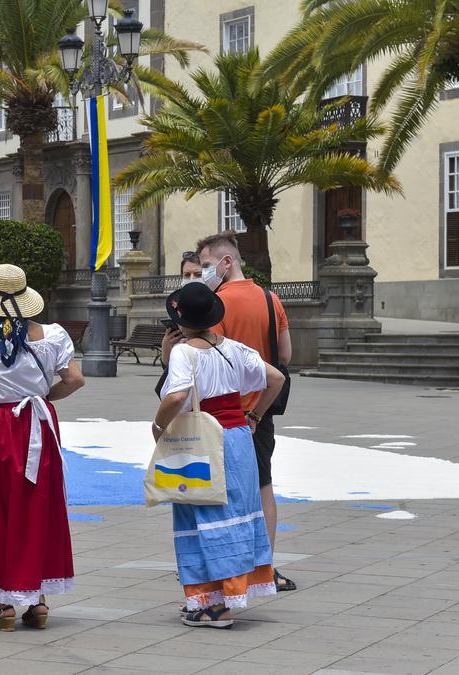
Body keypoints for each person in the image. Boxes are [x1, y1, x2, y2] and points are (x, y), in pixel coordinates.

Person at [0, 264, 85, 631]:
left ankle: (4, 602)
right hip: (39, 424)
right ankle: (38, 598)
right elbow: (75, 379)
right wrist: (44, 395)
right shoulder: (53, 335)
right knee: (37, 508)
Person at [153, 282, 286, 628]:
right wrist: (254, 415)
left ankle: (213, 605)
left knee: (200, 514)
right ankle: (221, 597)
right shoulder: (233, 349)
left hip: (201, 438)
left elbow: (175, 396)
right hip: (237, 438)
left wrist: (158, 427)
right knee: (233, 511)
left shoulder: (185, 352)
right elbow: (275, 378)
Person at [196, 231, 296, 592]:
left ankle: (224, 568)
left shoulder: (216, 305)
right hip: (261, 412)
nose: (204, 273)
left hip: (223, 412)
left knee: (222, 492)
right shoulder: (271, 299)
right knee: (263, 485)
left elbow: (210, 356)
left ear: (227, 262)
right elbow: (284, 356)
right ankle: (264, 567)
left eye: (206, 265)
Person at [160, 252, 207, 368]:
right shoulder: (176, 304)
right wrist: (166, 346)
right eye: (186, 275)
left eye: (197, 274)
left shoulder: (214, 307)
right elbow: (166, 367)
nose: (191, 279)